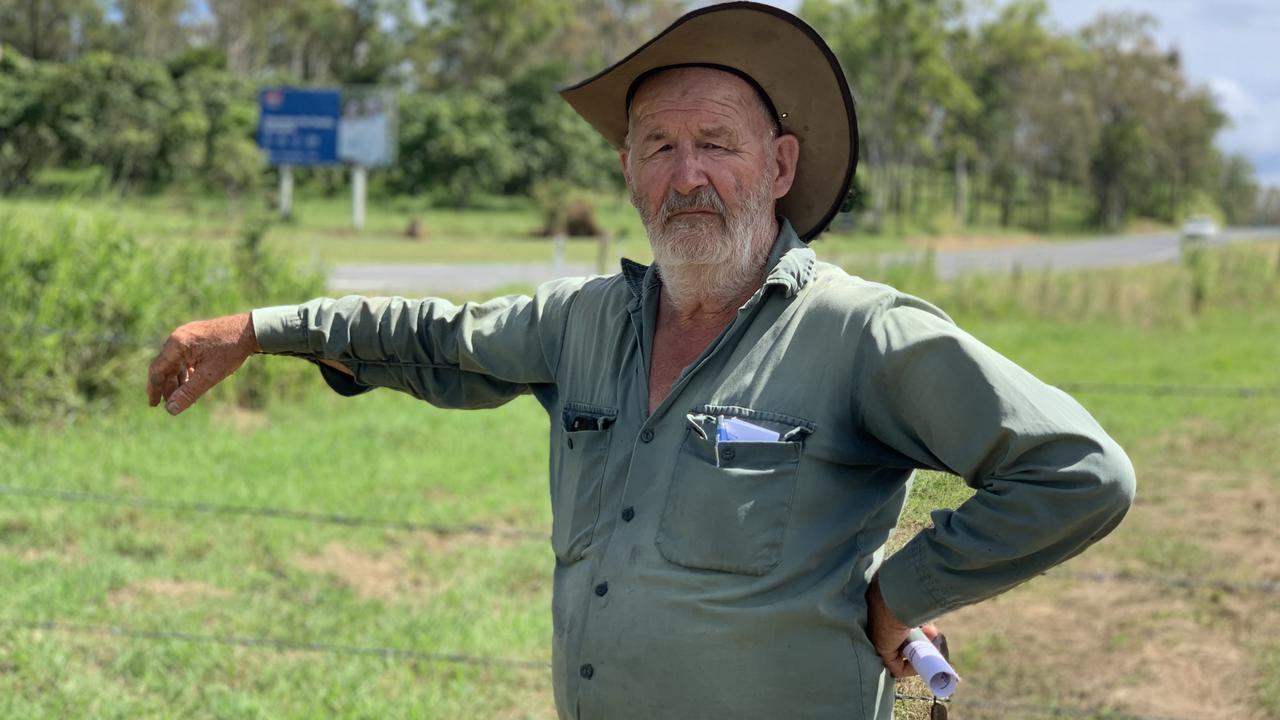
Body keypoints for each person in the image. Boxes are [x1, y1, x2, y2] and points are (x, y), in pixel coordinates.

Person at [146, 4, 1135, 718]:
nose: (686, 174)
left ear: (779, 167)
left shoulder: (857, 335)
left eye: (716, 144)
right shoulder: (585, 322)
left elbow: (1078, 472)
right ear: (626, 170)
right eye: (657, 146)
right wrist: (262, 326)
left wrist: (899, 597)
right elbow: (438, 339)